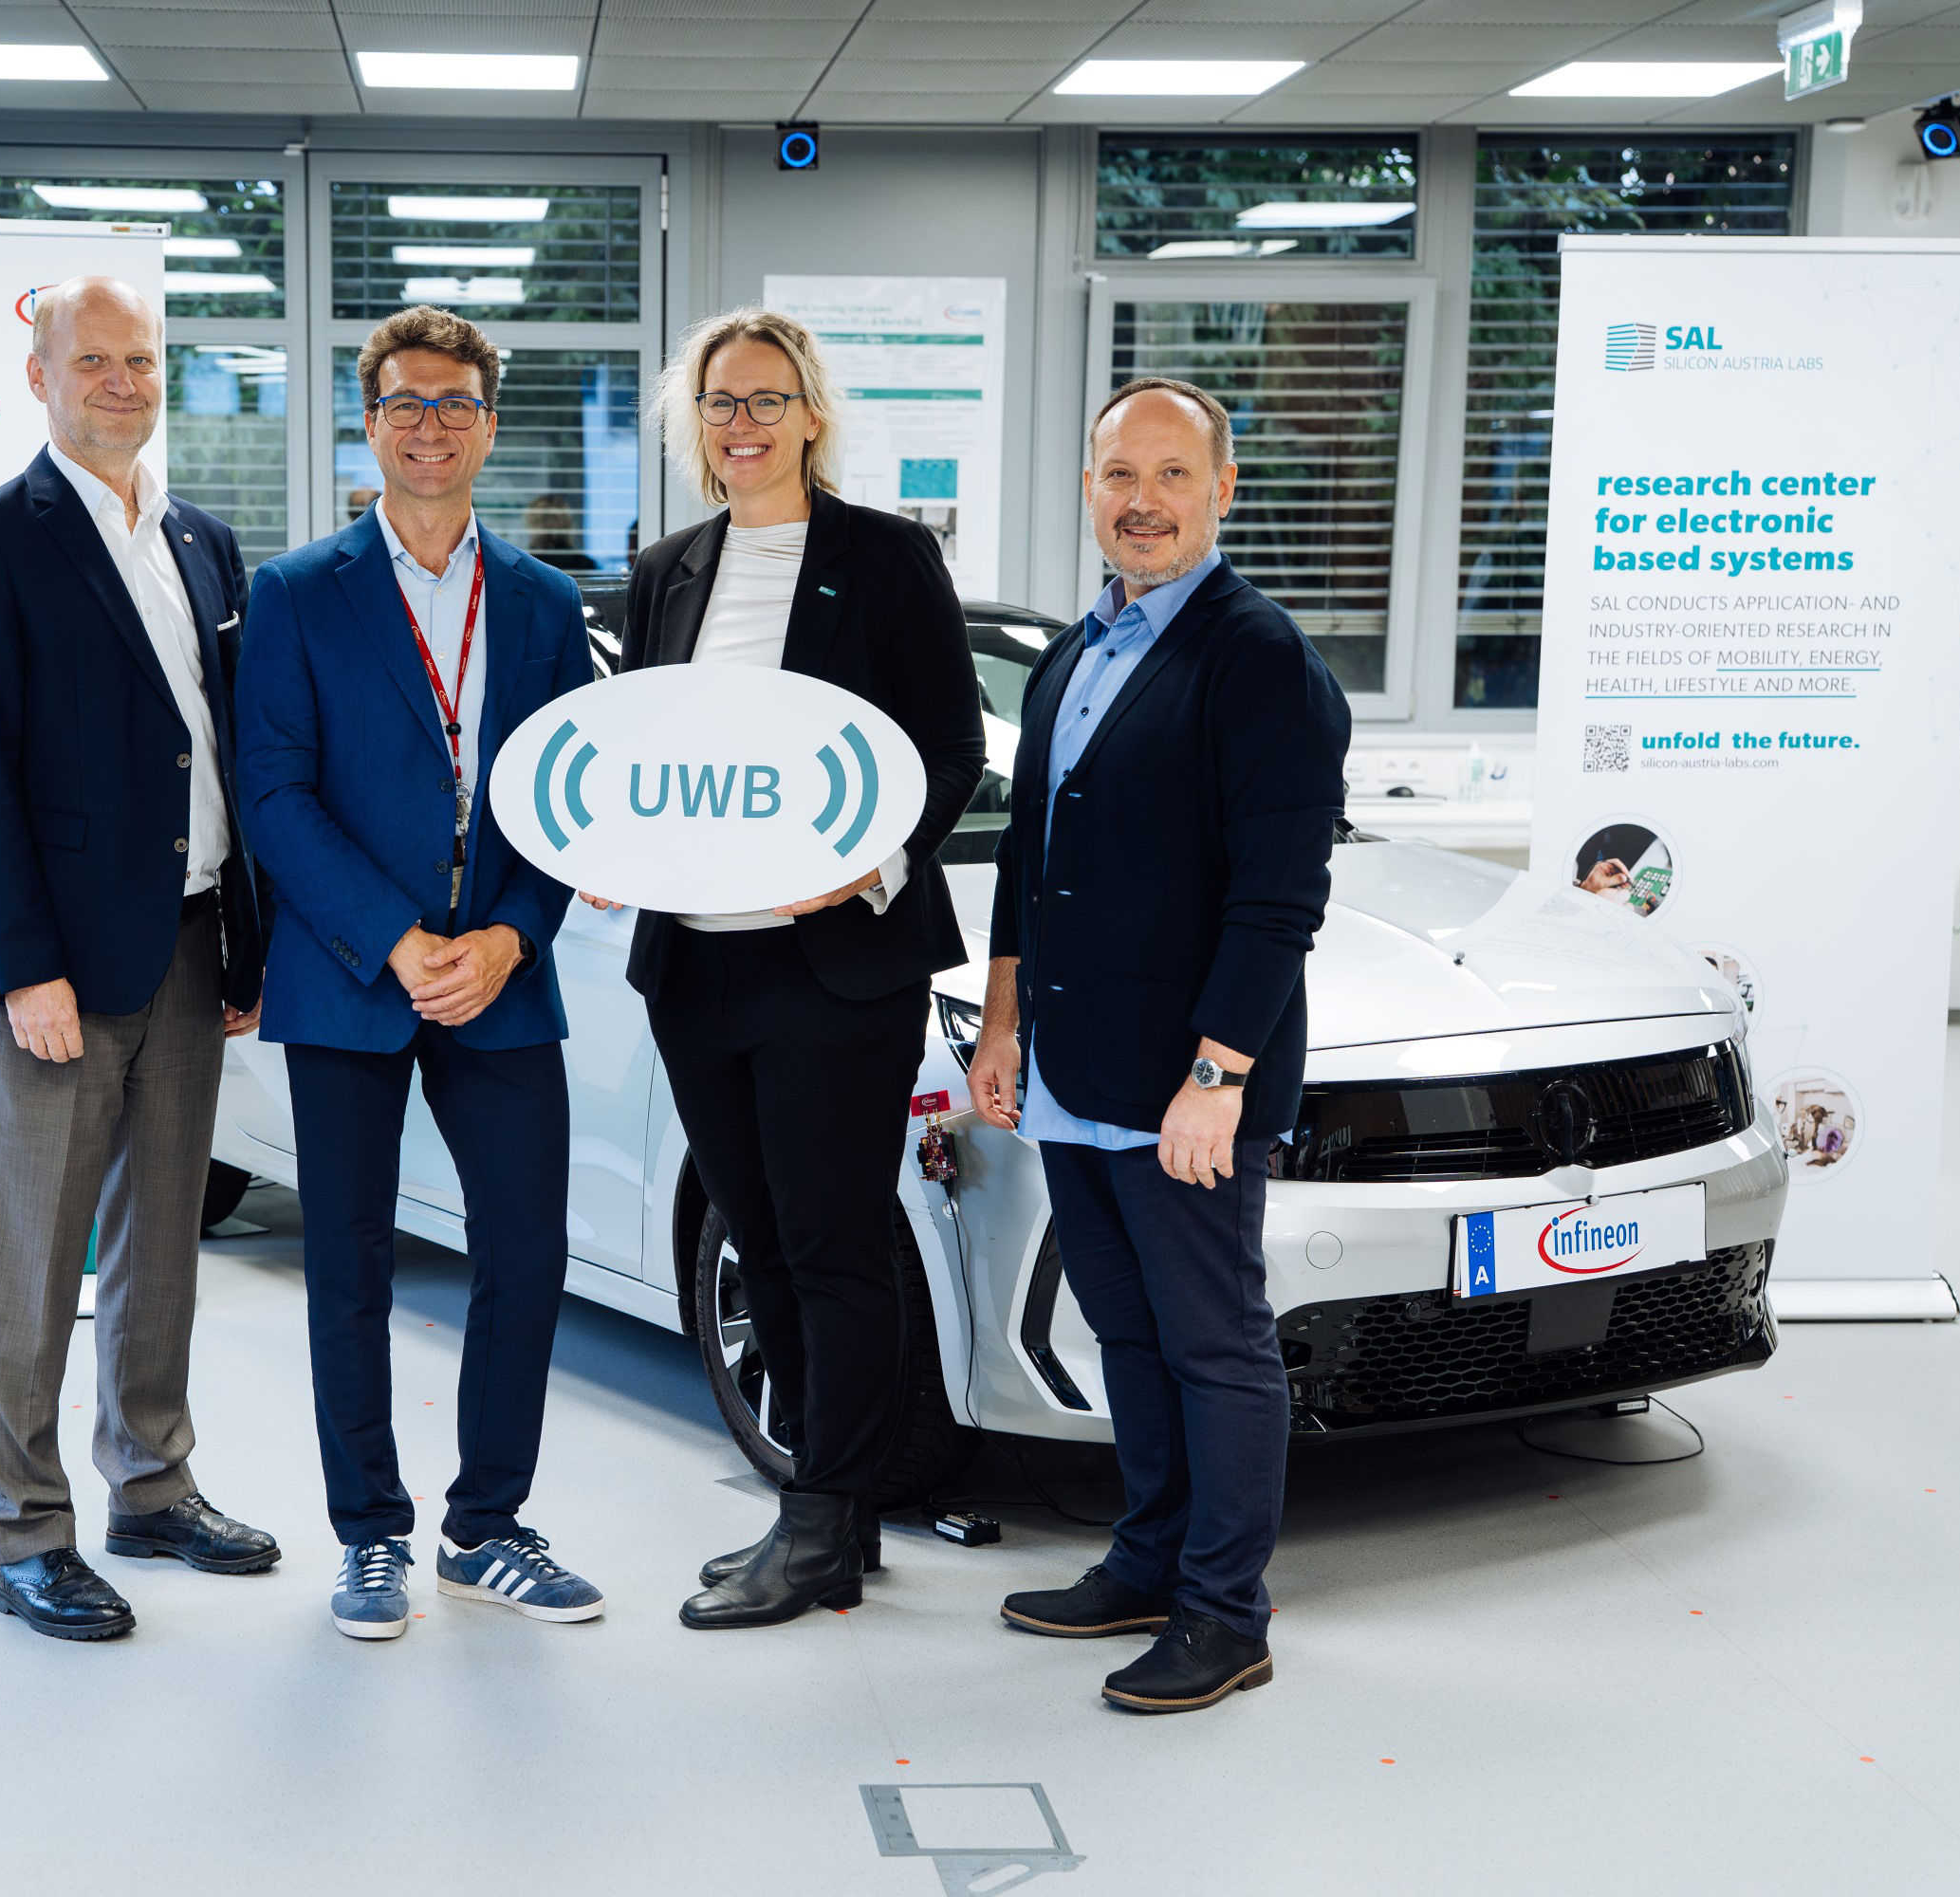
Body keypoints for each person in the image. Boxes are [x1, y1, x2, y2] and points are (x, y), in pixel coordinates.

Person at [599, 306, 984, 1631]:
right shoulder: (668, 571)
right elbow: (649, 753)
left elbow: (949, 747)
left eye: (768, 399)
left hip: (837, 969)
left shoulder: (885, 559)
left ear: (812, 413)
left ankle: (821, 1526)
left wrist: (870, 867)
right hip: (696, 970)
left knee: (834, 1243)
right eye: (720, 402)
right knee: (757, 1244)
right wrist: (612, 844)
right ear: (692, 423)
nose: (743, 423)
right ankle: (830, 1508)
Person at [969, 377, 1348, 1714]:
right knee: (1126, 1332)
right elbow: (1028, 861)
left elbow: (1278, 899)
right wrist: (1003, 1026)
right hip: (1076, 1066)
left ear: (1222, 490)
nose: (1143, 502)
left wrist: (1217, 1077)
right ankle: (1147, 1560)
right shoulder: (1077, 652)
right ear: (1089, 489)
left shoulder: (1259, 659)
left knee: (1213, 1344)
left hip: (1188, 1082)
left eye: (1172, 475)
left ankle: (1226, 1612)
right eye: (1120, 475)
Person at [0, 275, 280, 1644]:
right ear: (41, 375)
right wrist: (25, 968)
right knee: (31, 1263)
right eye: (94, 361)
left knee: (160, 1245)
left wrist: (246, 939)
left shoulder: (202, 540)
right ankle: (25, 1533)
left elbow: (221, 749)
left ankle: (152, 1486)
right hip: (58, 968)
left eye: (141, 360)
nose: (122, 382)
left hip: (189, 940)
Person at [235, 306, 600, 1643]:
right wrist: (396, 940)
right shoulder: (296, 592)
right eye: (405, 403)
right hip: (350, 973)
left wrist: (509, 937)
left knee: (527, 1252)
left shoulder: (546, 601)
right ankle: (370, 1535)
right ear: (369, 423)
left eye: (455, 403)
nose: (430, 425)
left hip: (501, 972)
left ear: (489, 427)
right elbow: (272, 793)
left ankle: (487, 1528)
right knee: (348, 1264)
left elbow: (575, 800)